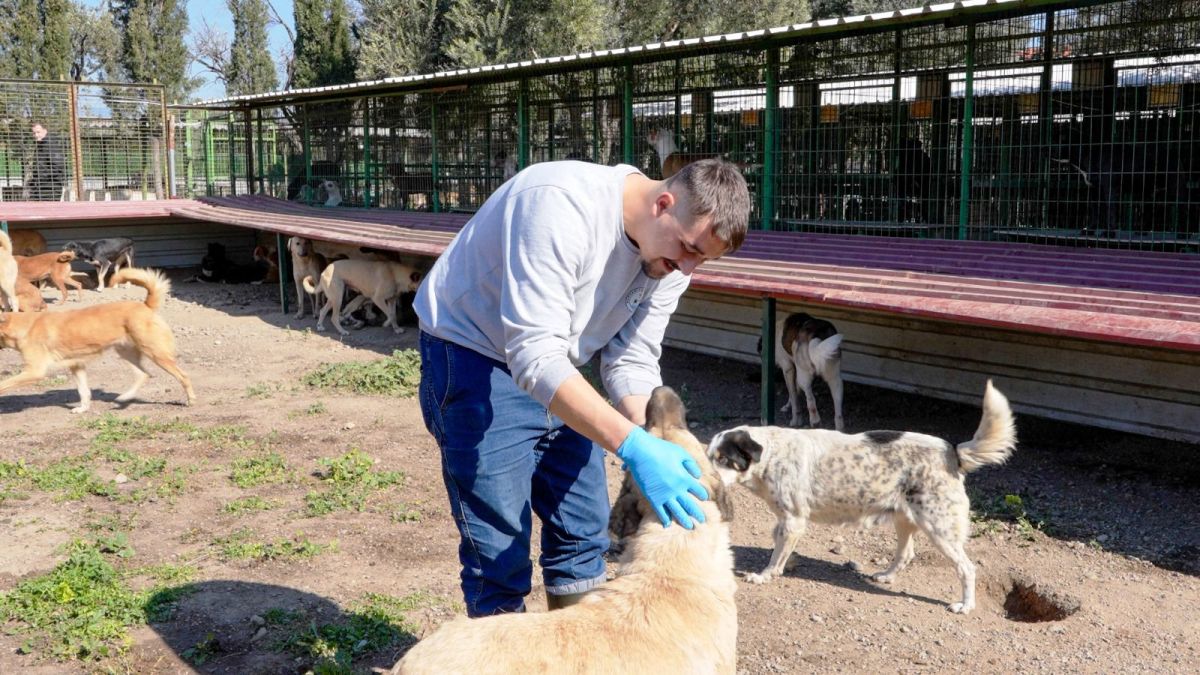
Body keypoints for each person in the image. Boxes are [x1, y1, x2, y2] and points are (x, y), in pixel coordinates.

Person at [414, 157, 751, 617]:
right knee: (499, 553)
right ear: (664, 203)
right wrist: (632, 445)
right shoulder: (560, 204)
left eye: (702, 259)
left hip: (562, 363)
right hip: (475, 355)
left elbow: (631, 358)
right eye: (689, 249)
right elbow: (532, 354)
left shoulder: (669, 258)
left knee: (583, 533)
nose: (688, 268)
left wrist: (654, 437)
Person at [28, 122, 67, 201]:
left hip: (50, 188)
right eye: (34, 133)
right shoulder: (40, 146)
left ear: (45, 131)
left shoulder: (51, 145)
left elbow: (58, 167)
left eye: (38, 132)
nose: (36, 135)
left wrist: (42, 176)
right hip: (40, 187)